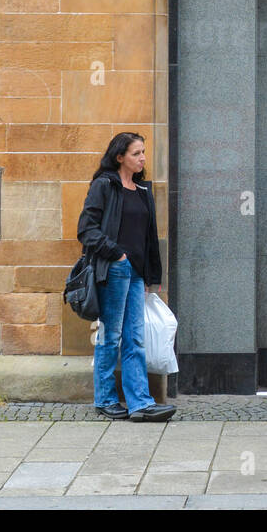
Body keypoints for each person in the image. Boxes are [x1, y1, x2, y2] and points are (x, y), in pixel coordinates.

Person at [77, 131, 177, 423]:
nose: (142, 158)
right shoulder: (104, 186)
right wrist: (117, 253)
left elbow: (149, 238)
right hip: (115, 270)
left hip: (136, 274)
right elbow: (86, 229)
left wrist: (152, 275)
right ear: (119, 156)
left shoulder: (143, 190)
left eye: (143, 152)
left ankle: (140, 404)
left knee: (135, 338)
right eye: (136, 153)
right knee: (111, 337)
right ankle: (106, 400)